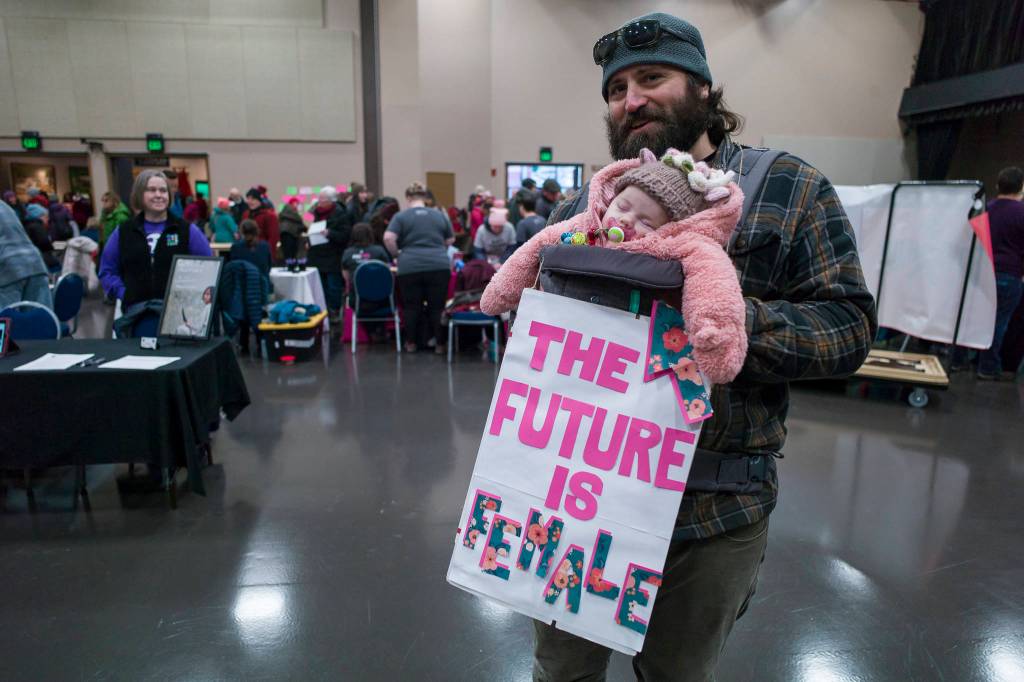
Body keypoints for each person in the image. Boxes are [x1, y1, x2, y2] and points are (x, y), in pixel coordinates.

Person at [486, 12, 877, 681]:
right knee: (563, 675)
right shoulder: (587, 208)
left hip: (715, 513)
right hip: (577, 502)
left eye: (651, 78)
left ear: (700, 86)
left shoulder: (785, 187)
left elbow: (846, 329)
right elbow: (532, 327)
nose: (630, 99)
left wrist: (709, 325)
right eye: (616, 89)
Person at [486, 147, 748, 383]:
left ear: (671, 229)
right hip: (562, 350)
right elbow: (536, 247)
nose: (625, 221)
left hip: (633, 363)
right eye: (622, 206)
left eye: (646, 222)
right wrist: (503, 290)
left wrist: (715, 335)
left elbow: (713, 281)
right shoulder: (585, 226)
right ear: (612, 199)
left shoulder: (683, 246)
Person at [98, 169, 212, 310]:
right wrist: (124, 293)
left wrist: (191, 298)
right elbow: (107, 271)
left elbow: (209, 268)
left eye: (163, 191)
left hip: (177, 314)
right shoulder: (124, 231)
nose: (158, 195)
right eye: (151, 190)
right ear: (140, 194)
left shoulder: (187, 230)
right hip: (136, 314)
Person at [384, 181, 454, 353]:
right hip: (438, 264)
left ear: (408, 198)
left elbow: (388, 238)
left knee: (411, 306)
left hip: (409, 266)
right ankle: (439, 344)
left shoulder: (401, 217)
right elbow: (450, 240)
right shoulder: (439, 215)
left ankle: (411, 343)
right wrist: (439, 249)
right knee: (437, 306)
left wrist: (397, 255)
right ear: (425, 198)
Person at [977, 166, 1024, 380]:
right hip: (1010, 274)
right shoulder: (1021, 212)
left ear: (998, 185)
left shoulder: (985, 209)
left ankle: (962, 360)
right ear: (1021, 187)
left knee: (977, 319)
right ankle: (988, 366)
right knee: (999, 323)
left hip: (983, 271)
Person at [306, 186, 354, 320]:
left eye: (322, 199)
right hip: (316, 254)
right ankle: (322, 309)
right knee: (320, 286)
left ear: (331, 201)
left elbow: (345, 235)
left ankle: (334, 310)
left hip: (333, 255)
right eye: (319, 198)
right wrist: (309, 241)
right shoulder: (315, 212)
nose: (319, 201)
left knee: (333, 286)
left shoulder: (341, 214)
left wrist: (330, 233)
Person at [0, 201, 52, 309]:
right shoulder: (3, 205)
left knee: (4, 323)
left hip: (7, 270)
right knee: (41, 319)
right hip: (35, 264)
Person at [342, 222, 391, 305]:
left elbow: (347, 277)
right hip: (382, 298)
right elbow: (388, 271)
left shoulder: (347, 253)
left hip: (357, 300)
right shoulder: (379, 251)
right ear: (370, 234)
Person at [242, 187, 280, 261]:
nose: (249, 201)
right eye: (248, 199)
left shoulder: (269, 216)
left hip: (262, 253)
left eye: (253, 199)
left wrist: (269, 255)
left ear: (259, 200)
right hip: (247, 253)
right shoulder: (245, 214)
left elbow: (273, 237)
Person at [22, 203, 60, 271]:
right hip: (42, 258)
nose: (48, 219)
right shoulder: (37, 226)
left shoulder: (28, 225)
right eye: (45, 216)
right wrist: (51, 247)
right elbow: (44, 242)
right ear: (39, 216)